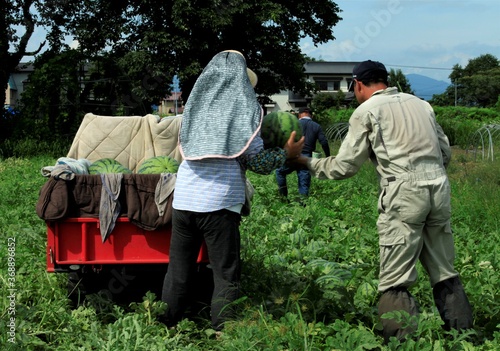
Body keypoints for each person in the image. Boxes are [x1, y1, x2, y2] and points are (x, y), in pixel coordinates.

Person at [287, 60, 473, 343]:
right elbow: (444, 152)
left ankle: (402, 342)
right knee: (444, 270)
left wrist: (303, 161)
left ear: (358, 84)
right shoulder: (422, 104)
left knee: (395, 279)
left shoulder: (367, 111)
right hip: (438, 186)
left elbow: (344, 167)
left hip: (403, 192)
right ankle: (465, 337)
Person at [161, 50, 304, 331]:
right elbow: (258, 163)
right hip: (219, 204)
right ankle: (224, 331)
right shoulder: (243, 114)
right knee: (225, 273)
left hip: (184, 199)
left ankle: (166, 326)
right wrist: (286, 153)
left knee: (178, 271)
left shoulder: (194, 110)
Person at [275, 107, 330, 198]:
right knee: (304, 181)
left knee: (280, 172)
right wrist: (328, 156)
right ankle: (303, 204)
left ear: (299, 115)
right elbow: (324, 142)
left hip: (291, 156)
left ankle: (283, 197)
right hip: (305, 157)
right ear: (311, 115)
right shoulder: (316, 126)